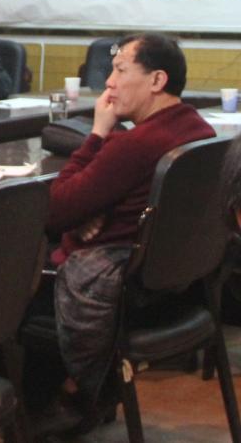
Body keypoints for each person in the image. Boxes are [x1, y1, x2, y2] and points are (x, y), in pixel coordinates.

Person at [42, 33, 214, 429]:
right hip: (177, 285)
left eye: (120, 71)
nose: (109, 82)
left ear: (157, 80)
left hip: (127, 292)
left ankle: (63, 404)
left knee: (18, 262)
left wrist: (97, 134)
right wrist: (84, 215)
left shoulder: (137, 143)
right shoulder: (198, 129)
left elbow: (55, 210)